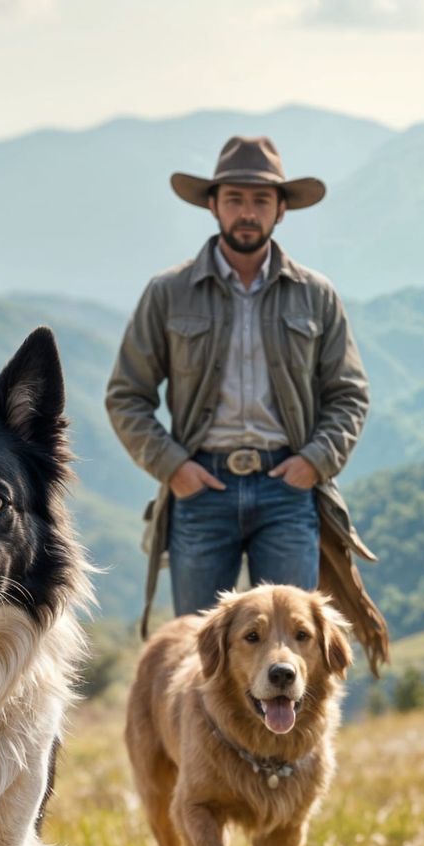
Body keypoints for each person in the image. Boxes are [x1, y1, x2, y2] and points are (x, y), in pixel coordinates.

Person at [105, 134, 388, 671]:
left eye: (261, 200)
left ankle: (288, 757)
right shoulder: (169, 293)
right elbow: (126, 395)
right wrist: (175, 468)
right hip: (200, 491)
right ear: (212, 204)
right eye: (235, 198)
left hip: (287, 490)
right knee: (202, 654)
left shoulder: (315, 295)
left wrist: (314, 464)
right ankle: (206, 758)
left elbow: (349, 394)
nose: (247, 212)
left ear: (282, 209)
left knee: (295, 651)